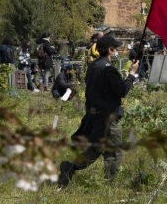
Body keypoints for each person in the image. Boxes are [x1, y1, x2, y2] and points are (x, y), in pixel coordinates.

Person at [58, 36, 140, 187]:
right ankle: (110, 185)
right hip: (109, 118)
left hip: (95, 116)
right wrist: (132, 74)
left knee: (97, 148)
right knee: (114, 152)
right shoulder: (109, 69)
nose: (116, 51)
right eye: (115, 48)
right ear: (110, 50)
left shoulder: (93, 66)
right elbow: (122, 90)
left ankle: (71, 167)